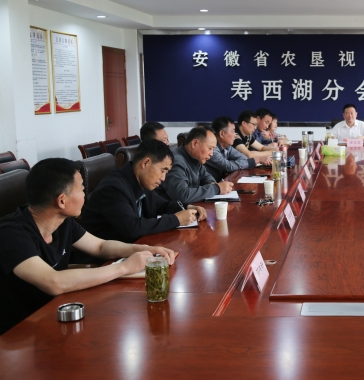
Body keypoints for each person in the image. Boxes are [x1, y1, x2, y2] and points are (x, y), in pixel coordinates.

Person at [0, 158, 176, 335]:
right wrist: (124, 267)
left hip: (56, 313)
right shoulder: (12, 234)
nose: (85, 195)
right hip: (19, 333)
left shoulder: (63, 222)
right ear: (62, 201)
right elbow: (53, 282)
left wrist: (144, 249)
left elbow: (100, 246)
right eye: (82, 189)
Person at [80, 139, 206, 244]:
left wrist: (187, 207)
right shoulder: (114, 188)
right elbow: (132, 228)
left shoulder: (141, 181)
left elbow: (162, 205)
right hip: (104, 260)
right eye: (162, 171)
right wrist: (176, 219)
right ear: (146, 163)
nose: (163, 178)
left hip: (132, 248)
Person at [156, 126, 234, 203]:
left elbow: (206, 176)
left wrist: (212, 184)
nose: (211, 154)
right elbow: (182, 195)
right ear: (194, 143)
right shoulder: (176, 161)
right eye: (210, 148)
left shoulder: (195, 159)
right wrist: (216, 188)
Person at [206, 116, 261, 182]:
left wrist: (233, 164)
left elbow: (244, 158)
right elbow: (228, 166)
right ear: (222, 134)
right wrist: (255, 160)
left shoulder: (227, 147)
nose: (235, 135)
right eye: (233, 131)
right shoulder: (212, 150)